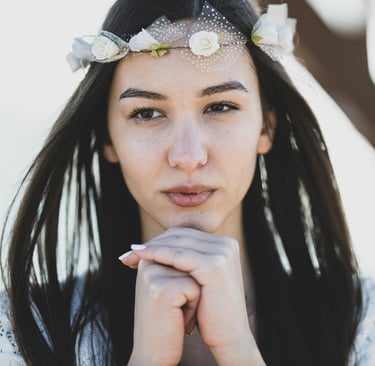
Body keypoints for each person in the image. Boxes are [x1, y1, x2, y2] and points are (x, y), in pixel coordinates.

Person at [0, 0, 373, 365]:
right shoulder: (22, 331)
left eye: (219, 106)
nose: (187, 156)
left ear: (266, 125)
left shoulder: (362, 324)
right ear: (107, 137)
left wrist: (238, 351)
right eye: (146, 113)